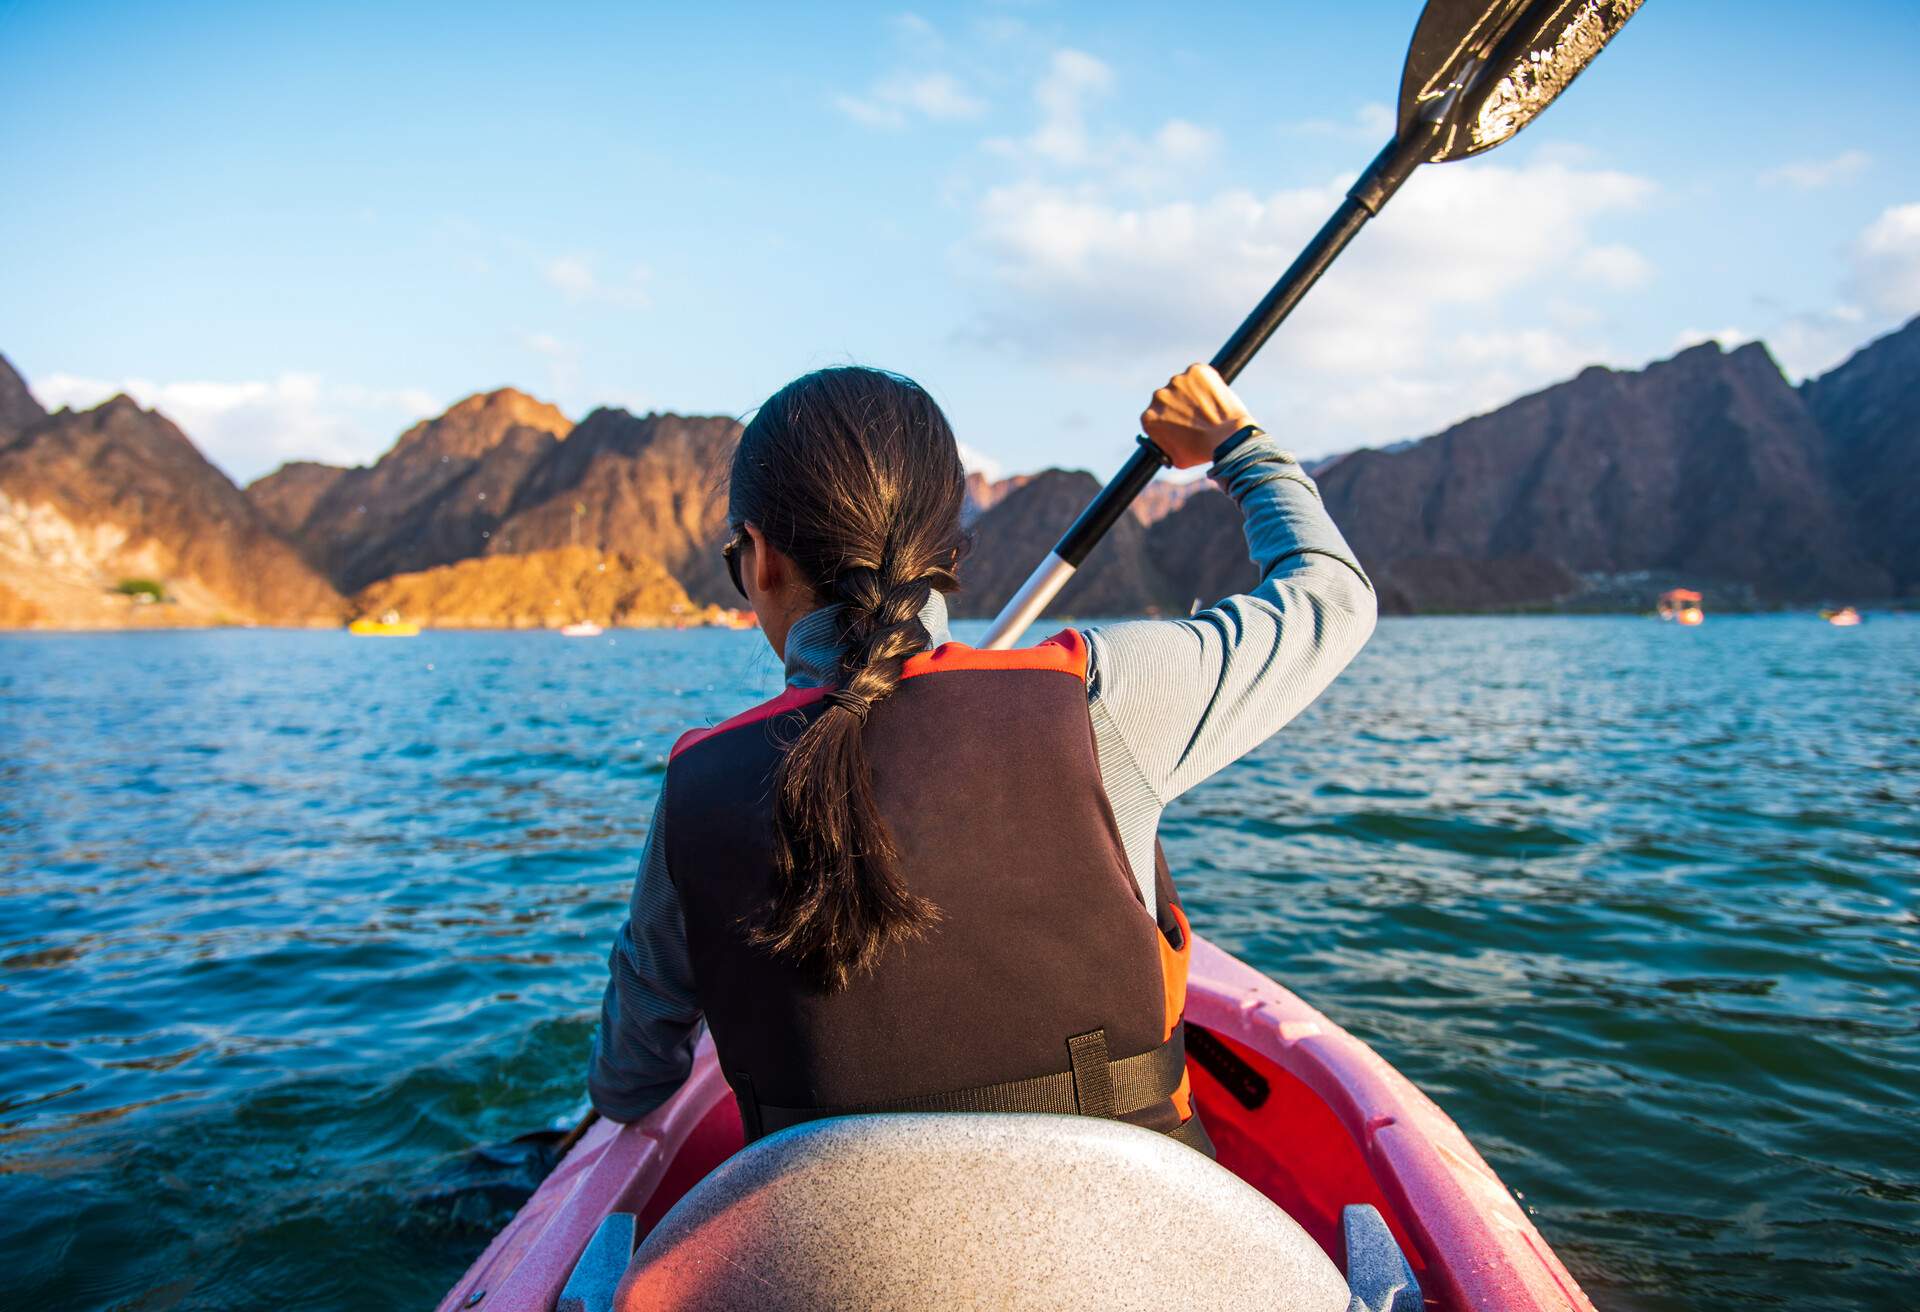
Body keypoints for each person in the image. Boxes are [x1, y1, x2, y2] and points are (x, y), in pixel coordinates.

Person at [587, 363, 1375, 1152]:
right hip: (1135, 1250)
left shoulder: (698, 789)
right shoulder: (1098, 702)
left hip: (826, 1271)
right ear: (951, 557)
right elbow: (1331, 597)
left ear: (760, 560)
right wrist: (1237, 445)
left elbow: (632, 1083)